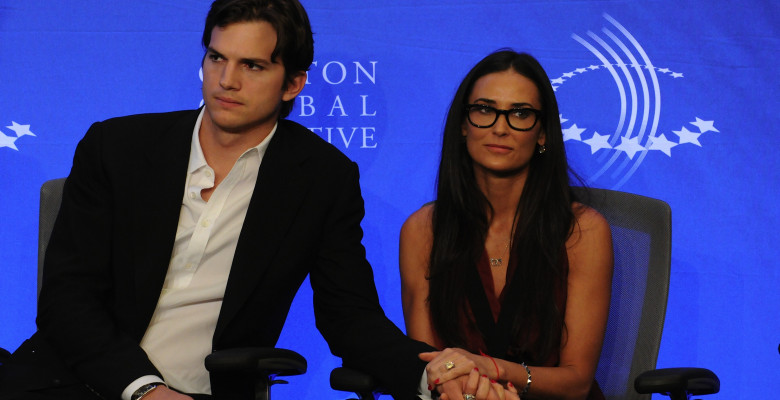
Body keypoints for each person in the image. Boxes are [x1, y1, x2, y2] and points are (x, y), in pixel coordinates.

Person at [0, 1, 433, 399]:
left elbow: (350, 316)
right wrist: (145, 390)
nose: (227, 80)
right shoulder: (116, 147)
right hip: (73, 382)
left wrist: (428, 375)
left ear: (293, 84)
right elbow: (67, 299)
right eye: (216, 58)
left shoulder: (321, 178)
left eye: (253, 65)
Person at [400, 50, 613, 400]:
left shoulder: (583, 230)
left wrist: (495, 371)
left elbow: (577, 382)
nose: (500, 127)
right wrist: (474, 388)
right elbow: (431, 363)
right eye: (484, 110)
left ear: (542, 133)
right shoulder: (423, 229)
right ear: (463, 125)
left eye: (520, 113)